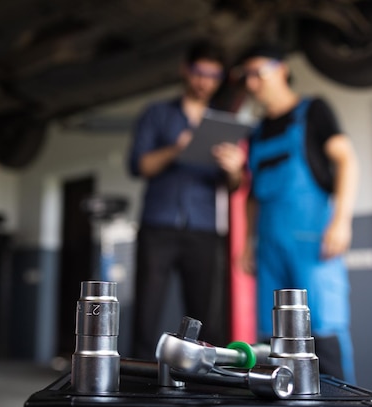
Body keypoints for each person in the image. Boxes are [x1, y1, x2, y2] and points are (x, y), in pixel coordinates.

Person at [234, 45, 359, 383]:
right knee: (271, 339)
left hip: (313, 243)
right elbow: (252, 193)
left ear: (283, 70)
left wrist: (342, 221)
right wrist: (247, 243)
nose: (253, 83)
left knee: (324, 330)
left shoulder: (313, 112)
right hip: (269, 247)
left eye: (260, 73)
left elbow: (346, 159)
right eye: (247, 77)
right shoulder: (257, 132)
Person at [128, 39, 244, 359]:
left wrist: (234, 169)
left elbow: (232, 185)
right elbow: (139, 166)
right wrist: (177, 148)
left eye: (213, 75)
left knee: (207, 315)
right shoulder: (157, 114)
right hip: (158, 226)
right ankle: (137, 383)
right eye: (199, 72)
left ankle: (206, 384)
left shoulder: (224, 123)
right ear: (185, 70)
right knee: (146, 312)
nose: (204, 81)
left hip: (205, 229)